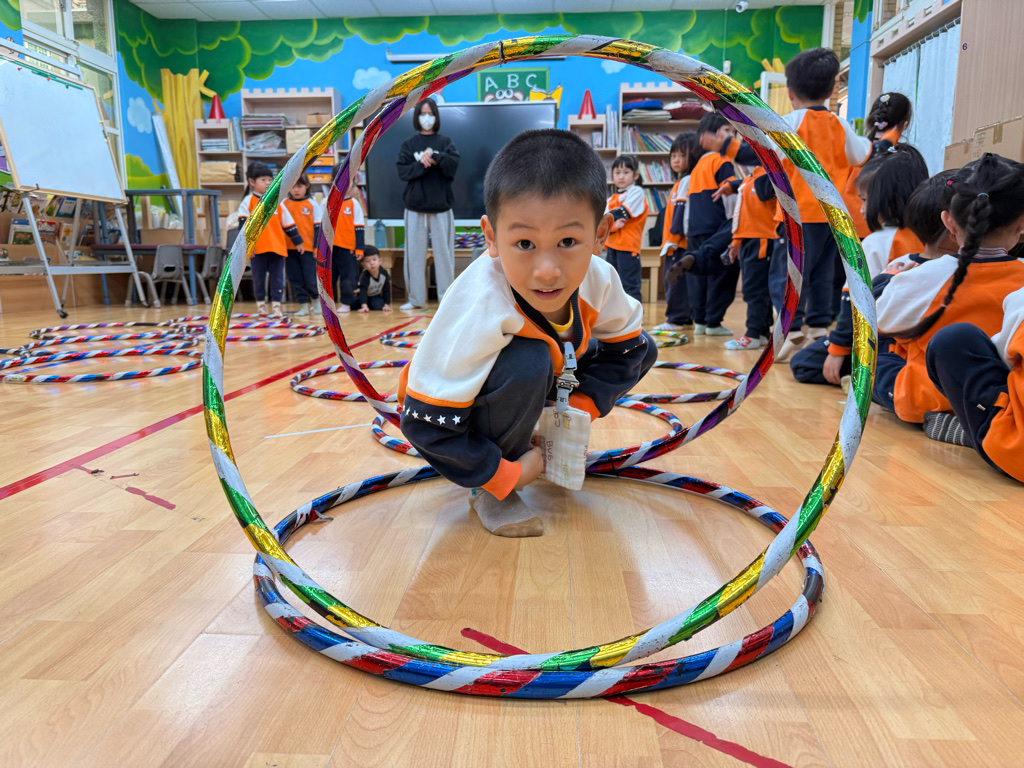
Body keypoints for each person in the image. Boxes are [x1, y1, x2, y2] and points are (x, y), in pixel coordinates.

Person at [398, 129, 657, 538]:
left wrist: (573, 414)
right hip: (448, 402)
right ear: (491, 237)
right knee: (528, 360)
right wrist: (506, 475)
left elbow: (630, 352)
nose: (547, 271)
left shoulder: (601, 280)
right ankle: (490, 492)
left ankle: (537, 424)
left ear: (601, 234)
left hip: (545, 372)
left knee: (642, 346)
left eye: (568, 241)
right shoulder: (482, 303)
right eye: (524, 243)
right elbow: (426, 425)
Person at [876, 153, 1024, 425]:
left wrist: (892, 279)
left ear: (948, 222)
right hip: (991, 400)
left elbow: (879, 320)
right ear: (1021, 224)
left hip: (927, 399)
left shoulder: (925, 276)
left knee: (878, 362)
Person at [790, 170, 956, 389]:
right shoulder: (964, 263)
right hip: (930, 352)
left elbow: (861, 305)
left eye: (865, 200)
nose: (861, 208)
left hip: (889, 342)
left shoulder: (881, 245)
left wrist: (839, 347)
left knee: (803, 363)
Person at [763, 48, 872, 361]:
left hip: (798, 215)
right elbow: (861, 154)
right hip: (833, 217)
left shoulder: (788, 123)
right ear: (831, 91)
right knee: (823, 274)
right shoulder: (840, 125)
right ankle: (819, 328)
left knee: (786, 274)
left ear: (790, 92)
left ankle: (793, 327)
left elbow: (768, 155)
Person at [664, 113, 761, 335]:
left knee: (698, 274)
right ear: (711, 136)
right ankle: (713, 322)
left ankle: (699, 321)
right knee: (723, 273)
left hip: (694, 227)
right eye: (727, 131)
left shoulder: (698, 166)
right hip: (717, 225)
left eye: (733, 132)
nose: (731, 136)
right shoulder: (722, 160)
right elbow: (731, 191)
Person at [925, 286, 1024, 483]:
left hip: (1017, 452)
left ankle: (973, 428)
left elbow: (883, 319)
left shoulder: (1018, 298)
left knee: (953, 339)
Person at [396, 97, 460, 309]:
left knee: (444, 256)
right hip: (414, 208)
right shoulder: (408, 144)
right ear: (417, 116)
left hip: (441, 208)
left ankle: (446, 299)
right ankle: (415, 299)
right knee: (414, 255)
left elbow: (452, 166)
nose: (426, 118)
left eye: (430, 114)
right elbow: (403, 172)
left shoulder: (445, 142)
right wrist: (422, 163)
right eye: (423, 114)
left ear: (436, 116)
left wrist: (435, 157)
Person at [842, 92, 914, 242]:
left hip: (846, 226)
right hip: (881, 230)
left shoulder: (859, 149)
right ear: (905, 124)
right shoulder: (904, 157)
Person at [237, 162, 304, 316]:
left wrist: (298, 242)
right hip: (258, 249)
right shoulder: (248, 202)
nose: (268, 183)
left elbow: (288, 223)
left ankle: (276, 306)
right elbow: (243, 228)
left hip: (277, 248)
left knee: (278, 278)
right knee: (258, 278)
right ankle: (261, 305)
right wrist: (247, 247)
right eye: (263, 180)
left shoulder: (277, 201)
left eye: (269, 179)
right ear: (252, 182)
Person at [723, 165, 778, 350]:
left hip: (763, 239)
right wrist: (736, 241)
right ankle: (761, 332)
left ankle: (752, 334)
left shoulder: (771, 175)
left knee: (755, 289)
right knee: (754, 287)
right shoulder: (749, 178)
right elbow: (742, 213)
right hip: (748, 239)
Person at [656, 131, 698, 331]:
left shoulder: (687, 180)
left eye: (682, 155)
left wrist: (674, 237)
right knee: (680, 282)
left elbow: (680, 212)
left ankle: (676, 319)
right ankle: (684, 317)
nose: (676, 160)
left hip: (677, 242)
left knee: (674, 281)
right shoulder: (681, 181)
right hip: (674, 241)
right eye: (673, 155)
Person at [604, 154, 648, 303]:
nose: (621, 177)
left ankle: (634, 316)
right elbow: (603, 223)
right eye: (617, 173)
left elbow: (624, 212)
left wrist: (607, 220)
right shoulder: (611, 199)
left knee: (629, 285)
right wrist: (613, 226)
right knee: (611, 285)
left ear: (635, 175)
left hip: (628, 248)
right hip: (612, 247)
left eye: (626, 172)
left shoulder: (637, 191)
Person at [282, 173, 322, 316]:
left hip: (308, 249)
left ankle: (316, 302)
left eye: (299, 186)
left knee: (310, 278)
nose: (296, 190)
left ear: (307, 186)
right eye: (293, 187)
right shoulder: (284, 204)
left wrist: (316, 248)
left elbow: (318, 228)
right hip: (289, 249)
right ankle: (303, 305)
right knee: (295, 278)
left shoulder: (312, 204)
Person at [330, 183, 365, 314]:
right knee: (329, 277)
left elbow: (359, 228)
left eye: (348, 181)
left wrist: (359, 248)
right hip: (330, 248)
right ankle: (328, 304)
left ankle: (346, 303)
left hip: (348, 247)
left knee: (348, 277)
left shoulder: (354, 203)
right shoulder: (326, 202)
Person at [355, 246, 392, 313]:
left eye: (374, 260)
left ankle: (369, 305)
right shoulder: (364, 276)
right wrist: (364, 306)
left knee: (379, 305)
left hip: (374, 296)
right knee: (353, 303)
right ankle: (365, 305)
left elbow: (387, 289)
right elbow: (363, 291)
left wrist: (387, 305)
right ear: (363, 264)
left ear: (380, 261)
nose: (372, 263)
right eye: (367, 261)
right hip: (361, 296)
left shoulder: (384, 273)